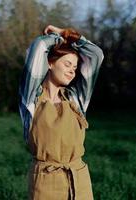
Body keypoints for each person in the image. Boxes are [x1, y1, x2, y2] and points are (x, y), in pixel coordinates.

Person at [18, 25, 104, 200]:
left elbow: (96, 55)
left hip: (79, 179)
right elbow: (40, 47)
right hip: (45, 182)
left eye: (75, 66)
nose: (73, 70)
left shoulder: (76, 99)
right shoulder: (31, 99)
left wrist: (69, 35)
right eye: (67, 64)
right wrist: (58, 37)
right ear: (50, 63)